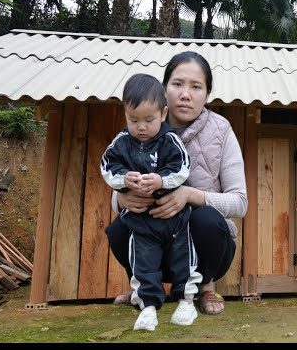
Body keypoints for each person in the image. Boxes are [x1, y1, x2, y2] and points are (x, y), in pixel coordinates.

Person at [105, 51, 247, 318]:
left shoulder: (222, 130)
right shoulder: (139, 129)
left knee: (206, 219)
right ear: (164, 89)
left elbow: (240, 203)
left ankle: (205, 287)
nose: (185, 94)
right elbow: (116, 185)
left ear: (207, 94)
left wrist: (189, 195)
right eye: (177, 84)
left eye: (196, 87)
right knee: (118, 229)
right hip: (154, 240)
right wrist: (121, 198)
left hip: (205, 247)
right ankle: (146, 288)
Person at [101, 73, 200, 331]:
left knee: (184, 260)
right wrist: (124, 180)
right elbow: (107, 168)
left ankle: (186, 301)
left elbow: (181, 168)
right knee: (143, 264)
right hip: (142, 223)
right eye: (133, 120)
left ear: (163, 114)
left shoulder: (170, 141)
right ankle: (148, 307)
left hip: (175, 220)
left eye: (149, 120)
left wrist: (161, 180)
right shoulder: (121, 143)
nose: (141, 127)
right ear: (125, 114)